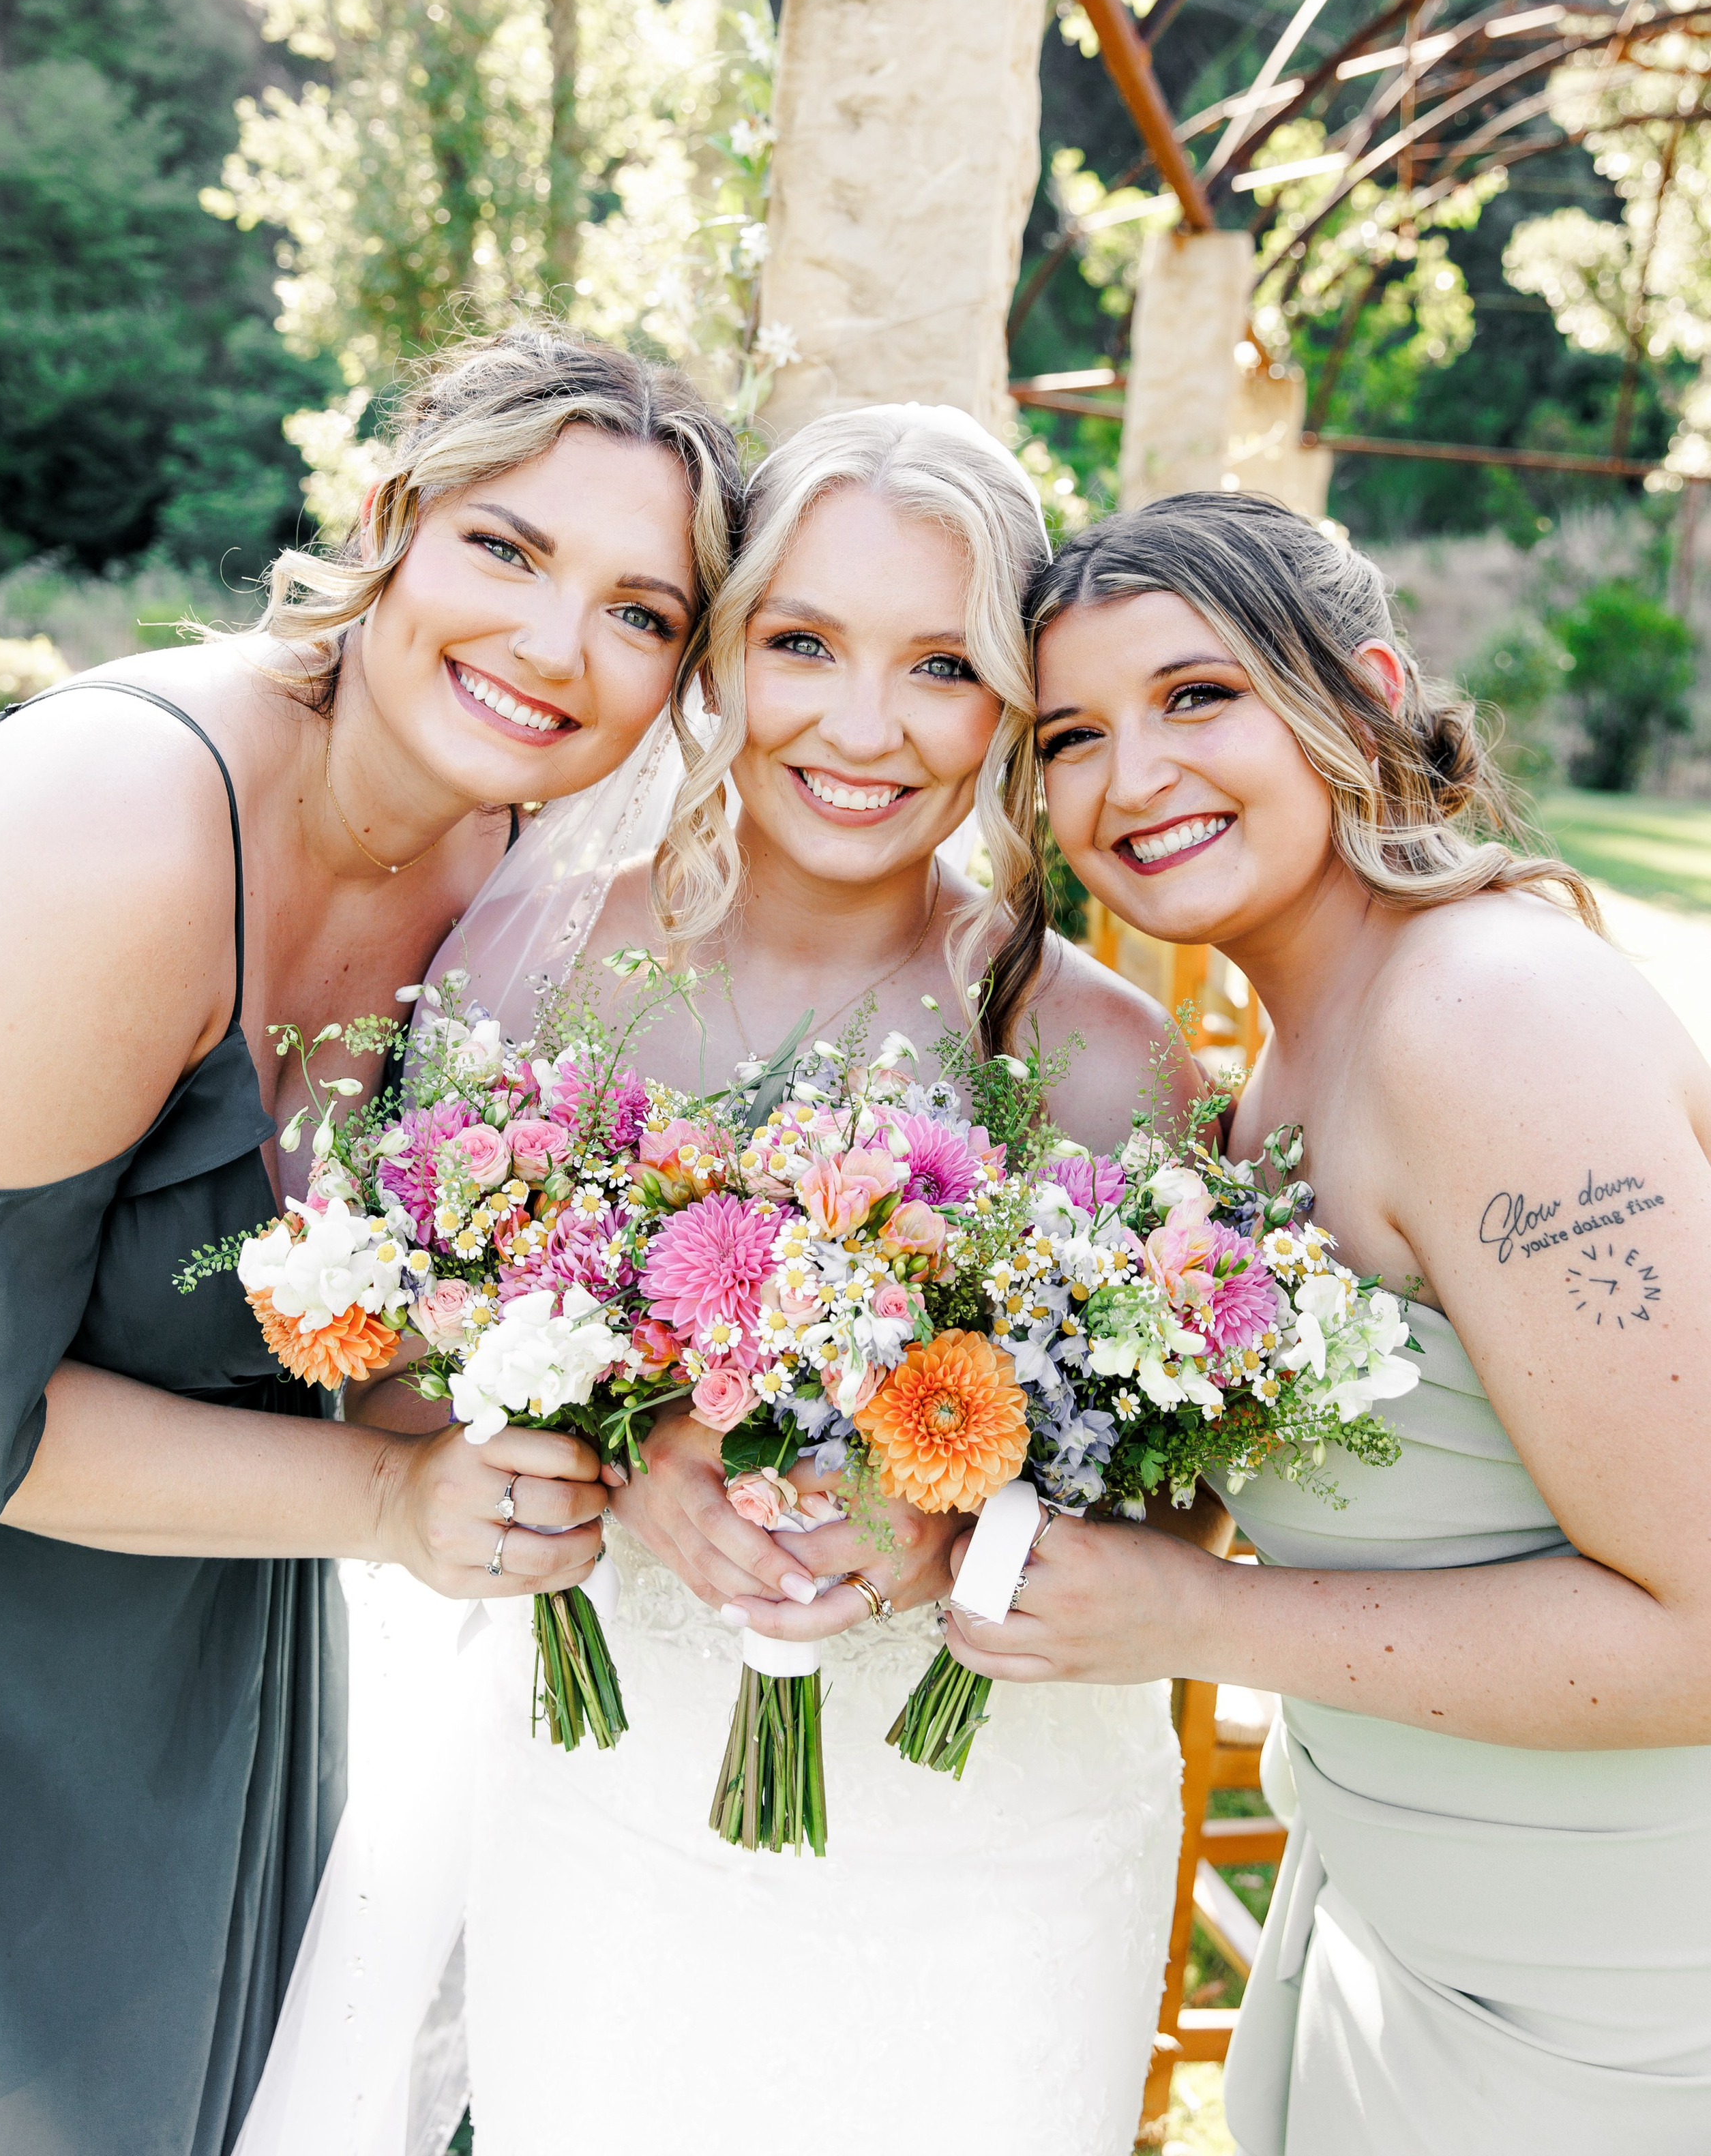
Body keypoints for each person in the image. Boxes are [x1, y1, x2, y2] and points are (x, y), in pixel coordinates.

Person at [347, 404, 1208, 2156]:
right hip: (613, 1826)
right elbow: (389, 1392)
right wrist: (627, 1468)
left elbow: (1190, 1513)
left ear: (1010, 709)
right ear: (717, 656)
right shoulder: (529, 967)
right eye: (801, 643)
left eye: (942, 667)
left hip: (996, 1866)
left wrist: (962, 1529)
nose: (863, 728)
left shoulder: (1110, 1062)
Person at [0, 323, 744, 2156]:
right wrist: (392, 1506)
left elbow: (391, 1344)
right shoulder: (113, 826)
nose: (554, 646)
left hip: (208, 1645)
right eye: (507, 550)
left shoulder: (520, 883)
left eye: (639, 613)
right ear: (388, 518)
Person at [941, 490, 1711, 2154]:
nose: (1130, 777)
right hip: (1411, 1932)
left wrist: (1189, 1617)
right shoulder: (1264, 1086)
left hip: (1620, 2009)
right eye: (1070, 736)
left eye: (1195, 696)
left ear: (1360, 698)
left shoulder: (1486, 1018)